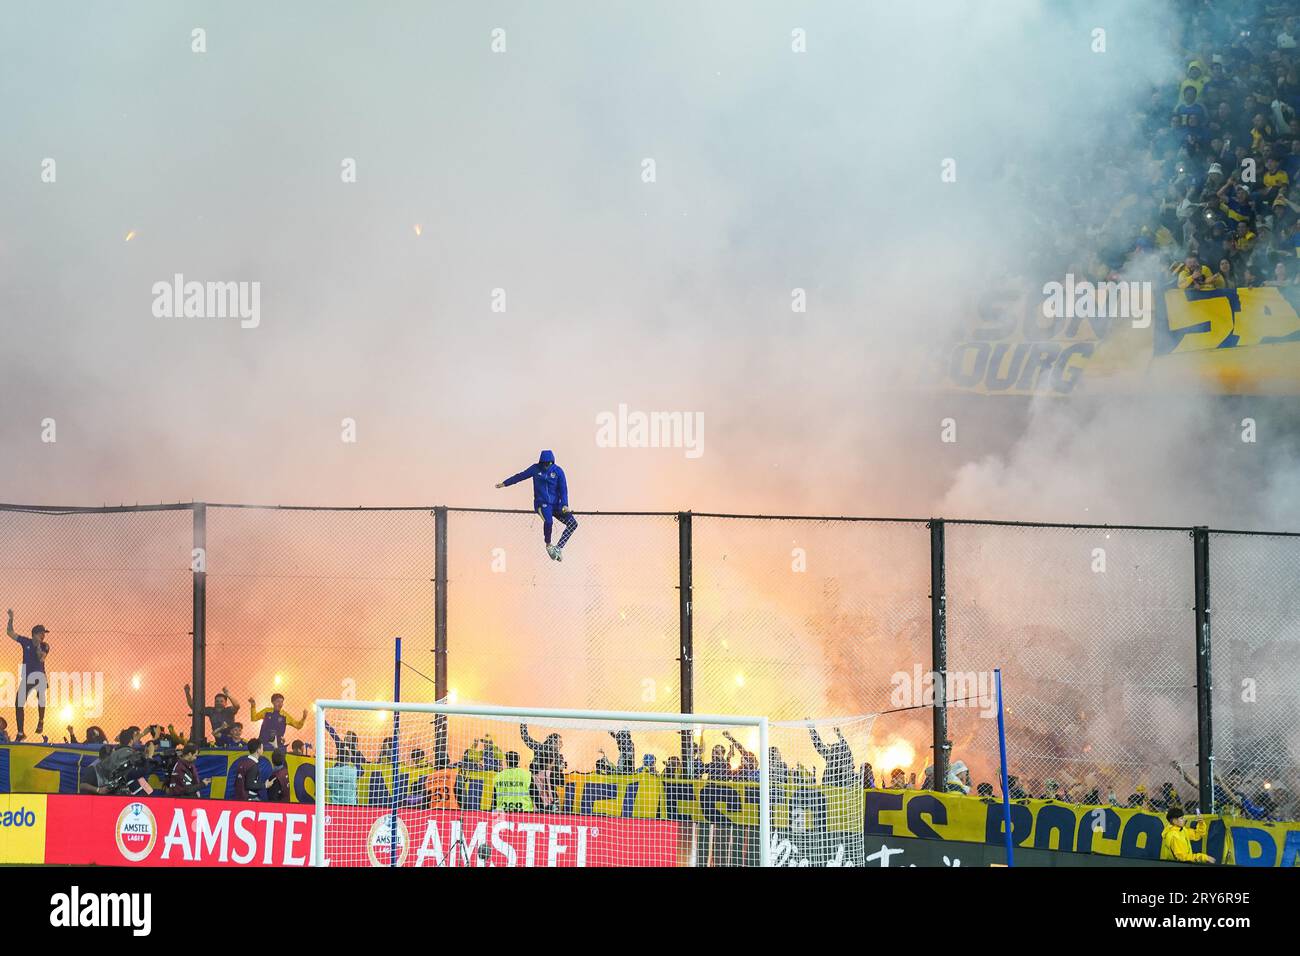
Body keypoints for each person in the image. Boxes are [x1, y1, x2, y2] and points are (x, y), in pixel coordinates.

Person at [496, 449, 578, 560]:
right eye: (544, 463)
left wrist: (564, 504)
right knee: (548, 521)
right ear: (541, 462)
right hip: (542, 503)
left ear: (552, 462)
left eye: (548, 463)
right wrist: (505, 483)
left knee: (573, 524)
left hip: (556, 505)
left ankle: (558, 548)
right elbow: (520, 476)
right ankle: (548, 545)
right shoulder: (535, 469)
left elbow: (563, 489)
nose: (546, 466)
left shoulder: (558, 471)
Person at [6, 609, 49, 741]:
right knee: (19, 702)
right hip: (27, 676)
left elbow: (41, 659)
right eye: (42, 633)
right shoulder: (26, 642)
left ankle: (41, 720)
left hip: (39, 675)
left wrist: (37, 647)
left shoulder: (44, 645)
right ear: (35, 633)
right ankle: (20, 733)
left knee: (40, 695)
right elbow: (10, 633)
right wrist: (11, 618)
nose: (44, 635)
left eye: (44, 634)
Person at [808, 722, 855, 788]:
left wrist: (812, 729)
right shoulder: (846, 758)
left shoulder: (831, 756)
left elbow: (818, 744)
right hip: (837, 788)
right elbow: (819, 745)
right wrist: (839, 735)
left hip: (830, 788)